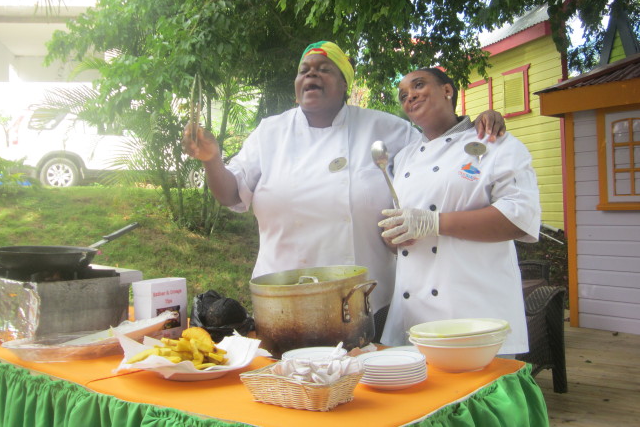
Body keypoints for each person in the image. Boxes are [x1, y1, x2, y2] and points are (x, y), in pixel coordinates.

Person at [182, 41, 506, 325]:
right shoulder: (270, 133)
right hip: (283, 298)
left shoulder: (384, 127)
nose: (311, 74)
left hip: (368, 298)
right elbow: (229, 194)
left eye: (323, 69)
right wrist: (212, 159)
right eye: (304, 70)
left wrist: (473, 125)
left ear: (344, 84)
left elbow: (439, 154)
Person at [377, 68, 540, 355]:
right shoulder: (403, 159)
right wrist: (393, 237)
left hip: (475, 313)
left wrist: (433, 222)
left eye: (418, 85)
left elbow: (519, 218)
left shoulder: (494, 142)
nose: (410, 95)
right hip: (412, 316)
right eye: (403, 95)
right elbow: (399, 231)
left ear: (448, 91)